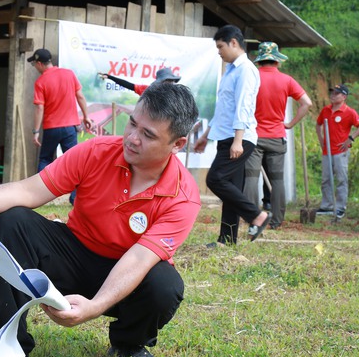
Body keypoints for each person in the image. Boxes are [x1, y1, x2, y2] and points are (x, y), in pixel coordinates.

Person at [0, 82, 201, 357]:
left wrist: (95, 307)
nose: (133, 138)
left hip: (126, 275)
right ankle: (9, 347)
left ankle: (128, 345)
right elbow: (30, 191)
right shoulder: (96, 152)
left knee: (165, 284)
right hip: (73, 254)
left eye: (148, 135)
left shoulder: (182, 195)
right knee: (14, 222)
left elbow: (138, 260)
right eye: (132, 124)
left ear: (177, 145)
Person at [194, 25, 271, 245]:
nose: (218, 51)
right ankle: (226, 239)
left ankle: (256, 215)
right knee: (231, 188)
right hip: (226, 136)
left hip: (240, 138)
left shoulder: (246, 69)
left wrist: (238, 140)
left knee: (215, 179)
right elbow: (224, 109)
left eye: (220, 46)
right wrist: (206, 135)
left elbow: (243, 107)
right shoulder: (230, 70)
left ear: (234, 43)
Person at [243, 42, 312, 229]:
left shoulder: (252, 78)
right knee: (277, 180)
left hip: (253, 136)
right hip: (276, 137)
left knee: (250, 178)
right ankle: (276, 221)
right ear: (277, 61)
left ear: (259, 61)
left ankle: (252, 218)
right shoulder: (287, 80)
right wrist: (290, 123)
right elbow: (306, 103)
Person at [315, 84, 359, 219]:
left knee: (341, 180)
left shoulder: (349, 112)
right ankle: (327, 206)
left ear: (344, 97)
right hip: (327, 151)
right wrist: (321, 140)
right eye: (332, 92)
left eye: (336, 93)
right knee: (326, 179)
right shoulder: (326, 110)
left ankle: (340, 208)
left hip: (340, 151)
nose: (332, 95)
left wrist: (350, 138)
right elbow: (318, 124)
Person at [98, 67, 181, 96]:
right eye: (168, 80)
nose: (171, 83)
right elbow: (129, 85)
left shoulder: (178, 96)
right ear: (161, 82)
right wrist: (110, 77)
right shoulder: (150, 91)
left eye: (172, 81)